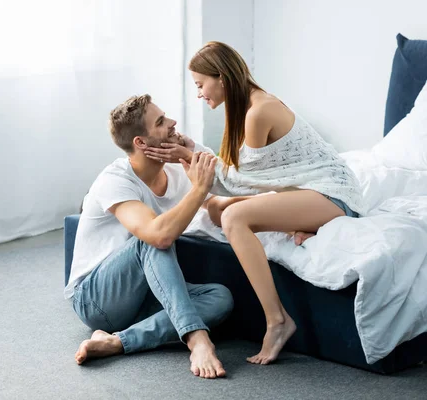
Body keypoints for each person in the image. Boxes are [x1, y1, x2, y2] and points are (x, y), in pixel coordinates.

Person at [144, 41, 363, 365]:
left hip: (334, 193)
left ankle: (277, 320)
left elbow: (236, 181)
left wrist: (188, 157)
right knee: (217, 208)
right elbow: (239, 173)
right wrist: (192, 152)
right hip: (306, 191)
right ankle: (307, 225)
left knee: (233, 217)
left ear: (221, 77)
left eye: (200, 85)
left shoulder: (258, 112)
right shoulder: (246, 107)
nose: (200, 94)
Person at [65, 94, 234, 379]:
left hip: (145, 295)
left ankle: (117, 342)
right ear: (140, 143)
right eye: (161, 122)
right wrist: (198, 190)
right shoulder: (115, 180)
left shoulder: (175, 170)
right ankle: (197, 338)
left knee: (220, 298)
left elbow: (221, 196)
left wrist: (271, 214)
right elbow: (159, 237)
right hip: (96, 299)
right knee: (152, 239)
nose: (173, 123)